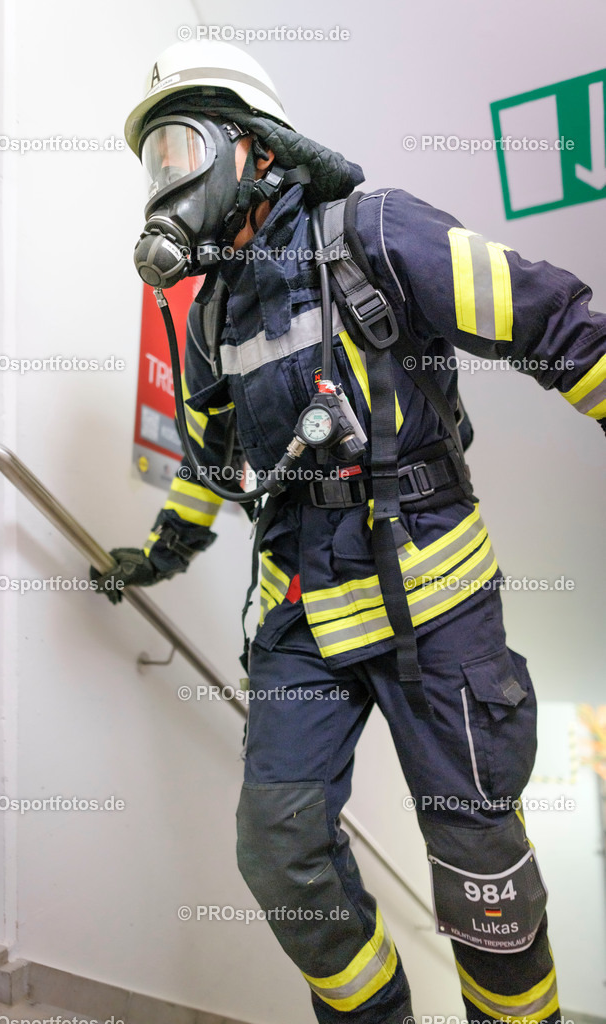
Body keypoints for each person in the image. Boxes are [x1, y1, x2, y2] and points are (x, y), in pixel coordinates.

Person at [92, 39, 605, 1024]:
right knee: (280, 848)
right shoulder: (205, 319)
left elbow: (552, 323)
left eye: (181, 148)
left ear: (256, 149)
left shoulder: (372, 231)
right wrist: (160, 550)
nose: (164, 180)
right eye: (151, 158)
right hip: (298, 610)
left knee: (477, 875)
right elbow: (208, 467)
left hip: (433, 600)